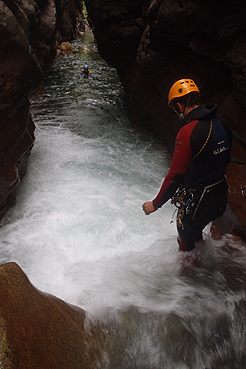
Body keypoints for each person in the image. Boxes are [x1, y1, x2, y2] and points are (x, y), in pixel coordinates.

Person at [142, 79, 232, 252]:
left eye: (176, 109)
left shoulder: (188, 132)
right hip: (220, 193)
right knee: (196, 232)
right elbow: (224, 157)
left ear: (180, 106)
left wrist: (155, 204)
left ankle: (187, 274)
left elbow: (175, 176)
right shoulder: (222, 123)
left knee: (185, 241)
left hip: (200, 200)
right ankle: (202, 262)